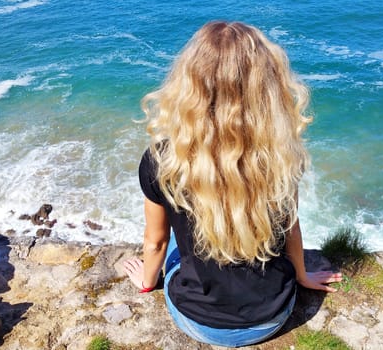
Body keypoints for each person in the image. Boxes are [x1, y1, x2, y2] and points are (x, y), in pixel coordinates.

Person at [122, 21, 342, 348]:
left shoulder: (162, 159)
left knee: (171, 245)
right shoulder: (282, 154)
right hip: (274, 315)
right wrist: (302, 276)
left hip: (197, 321)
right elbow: (290, 226)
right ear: (266, 85)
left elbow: (154, 241)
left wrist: (146, 281)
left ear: (190, 84)